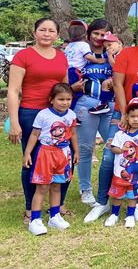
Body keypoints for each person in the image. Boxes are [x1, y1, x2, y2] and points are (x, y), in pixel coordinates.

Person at [84, 20, 138, 223]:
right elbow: (118, 84)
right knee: (109, 157)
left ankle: (135, 202)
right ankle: (103, 202)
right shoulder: (127, 54)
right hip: (122, 114)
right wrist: (124, 114)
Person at [7, 17, 70, 225]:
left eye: (51, 30)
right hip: (31, 113)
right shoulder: (23, 56)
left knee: (61, 159)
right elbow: (13, 91)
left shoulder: (61, 56)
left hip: (57, 115)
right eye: (42, 29)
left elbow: (65, 88)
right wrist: (14, 122)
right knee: (32, 160)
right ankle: (30, 208)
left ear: (57, 35)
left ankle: (57, 206)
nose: (47, 34)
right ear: (34, 33)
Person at [23, 83, 79, 235]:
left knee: (57, 186)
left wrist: (76, 151)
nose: (65, 103)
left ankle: (54, 216)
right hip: (46, 154)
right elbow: (34, 135)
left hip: (63, 154)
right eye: (61, 99)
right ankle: (35, 220)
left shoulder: (71, 115)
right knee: (42, 187)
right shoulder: (43, 115)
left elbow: (73, 134)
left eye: (68, 99)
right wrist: (27, 153)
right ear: (51, 99)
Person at [74, 19, 115, 206]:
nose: (99, 37)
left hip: (110, 106)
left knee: (114, 146)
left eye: (103, 34)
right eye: (96, 33)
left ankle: (115, 186)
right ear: (88, 34)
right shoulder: (81, 53)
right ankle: (86, 189)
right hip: (86, 105)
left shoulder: (113, 54)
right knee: (85, 148)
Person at [104, 97, 138, 228]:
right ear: (127, 117)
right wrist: (121, 150)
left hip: (137, 172)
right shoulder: (120, 134)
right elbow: (113, 148)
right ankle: (114, 214)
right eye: (132, 116)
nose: (135, 119)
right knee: (117, 194)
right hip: (120, 171)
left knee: (133, 195)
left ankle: (130, 215)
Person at [87, 31, 123, 116]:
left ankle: (104, 104)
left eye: (109, 45)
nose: (107, 49)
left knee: (105, 83)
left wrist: (109, 56)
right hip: (117, 79)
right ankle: (105, 103)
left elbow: (115, 67)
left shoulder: (123, 54)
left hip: (123, 78)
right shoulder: (116, 55)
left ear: (119, 43)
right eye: (106, 47)